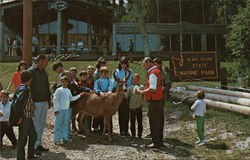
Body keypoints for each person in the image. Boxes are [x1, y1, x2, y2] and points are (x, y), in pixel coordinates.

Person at [9, 70, 40, 160]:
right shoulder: (24, 89)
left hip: (28, 116)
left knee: (33, 136)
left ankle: (30, 156)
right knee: (22, 139)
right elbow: (18, 103)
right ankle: (20, 157)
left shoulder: (24, 87)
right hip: (24, 117)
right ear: (30, 79)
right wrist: (19, 117)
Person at [136, 57, 164, 148]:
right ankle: (159, 141)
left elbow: (152, 88)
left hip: (154, 100)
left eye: (144, 64)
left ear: (149, 63)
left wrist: (142, 92)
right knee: (159, 121)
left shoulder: (152, 73)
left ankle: (156, 142)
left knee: (154, 121)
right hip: (159, 100)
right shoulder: (157, 71)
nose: (143, 66)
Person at [28, 55, 51, 152]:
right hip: (35, 102)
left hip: (44, 101)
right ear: (40, 61)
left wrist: (49, 99)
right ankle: (32, 146)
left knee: (41, 124)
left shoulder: (44, 72)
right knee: (35, 124)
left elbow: (47, 86)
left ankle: (38, 144)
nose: (47, 63)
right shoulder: (31, 71)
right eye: (46, 61)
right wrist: (30, 102)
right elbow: (28, 88)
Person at [53, 76, 84, 145]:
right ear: (61, 82)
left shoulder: (68, 90)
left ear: (68, 83)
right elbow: (55, 100)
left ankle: (65, 137)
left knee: (66, 124)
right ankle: (56, 139)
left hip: (67, 110)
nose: (64, 83)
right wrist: (56, 109)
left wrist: (79, 95)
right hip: (60, 110)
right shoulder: (58, 90)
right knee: (58, 125)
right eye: (63, 82)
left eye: (66, 82)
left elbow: (71, 98)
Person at [114, 56, 133, 137]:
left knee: (127, 112)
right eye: (122, 64)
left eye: (125, 63)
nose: (124, 65)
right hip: (120, 94)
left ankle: (126, 130)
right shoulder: (117, 72)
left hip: (128, 93)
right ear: (120, 64)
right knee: (121, 112)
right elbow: (114, 82)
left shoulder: (130, 71)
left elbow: (132, 81)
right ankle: (121, 130)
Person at [93, 66, 114, 133]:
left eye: (106, 72)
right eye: (103, 72)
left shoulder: (110, 80)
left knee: (108, 114)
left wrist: (109, 92)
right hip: (100, 98)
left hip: (108, 98)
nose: (105, 73)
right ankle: (100, 128)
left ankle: (108, 129)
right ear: (100, 73)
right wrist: (100, 92)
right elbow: (95, 88)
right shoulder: (98, 81)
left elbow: (111, 87)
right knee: (100, 114)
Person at [126, 74, 144, 139]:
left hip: (139, 107)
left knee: (140, 121)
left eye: (136, 79)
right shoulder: (130, 88)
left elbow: (143, 96)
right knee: (132, 122)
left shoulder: (142, 87)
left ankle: (139, 135)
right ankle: (133, 135)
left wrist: (142, 102)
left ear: (139, 80)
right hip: (132, 107)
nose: (135, 80)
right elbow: (127, 96)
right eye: (134, 79)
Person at [92, 57, 106, 131]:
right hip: (98, 93)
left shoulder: (104, 72)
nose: (103, 65)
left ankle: (102, 126)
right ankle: (95, 126)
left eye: (104, 63)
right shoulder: (97, 73)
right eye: (102, 63)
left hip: (104, 93)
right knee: (97, 110)